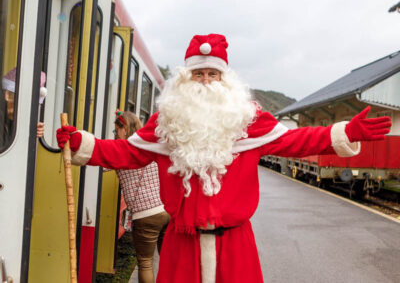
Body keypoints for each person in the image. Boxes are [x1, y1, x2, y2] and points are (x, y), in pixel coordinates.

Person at [56, 34, 391, 283]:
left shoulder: (247, 120)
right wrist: (81, 143)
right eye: (198, 75)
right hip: (181, 245)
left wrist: (343, 133)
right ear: (185, 80)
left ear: (224, 79)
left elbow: (294, 141)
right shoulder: (166, 124)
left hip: (235, 245)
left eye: (212, 75)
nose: (205, 82)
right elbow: (125, 153)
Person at [113, 109, 170, 283]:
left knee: (145, 263)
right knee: (168, 260)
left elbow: (101, 160)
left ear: (124, 129)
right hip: (165, 211)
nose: (115, 135)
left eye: (116, 130)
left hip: (145, 215)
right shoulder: (150, 147)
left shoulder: (121, 150)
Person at [1, 68, 46, 148]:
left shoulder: (10, 121)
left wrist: (29, 131)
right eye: (25, 101)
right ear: (7, 95)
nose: (27, 109)